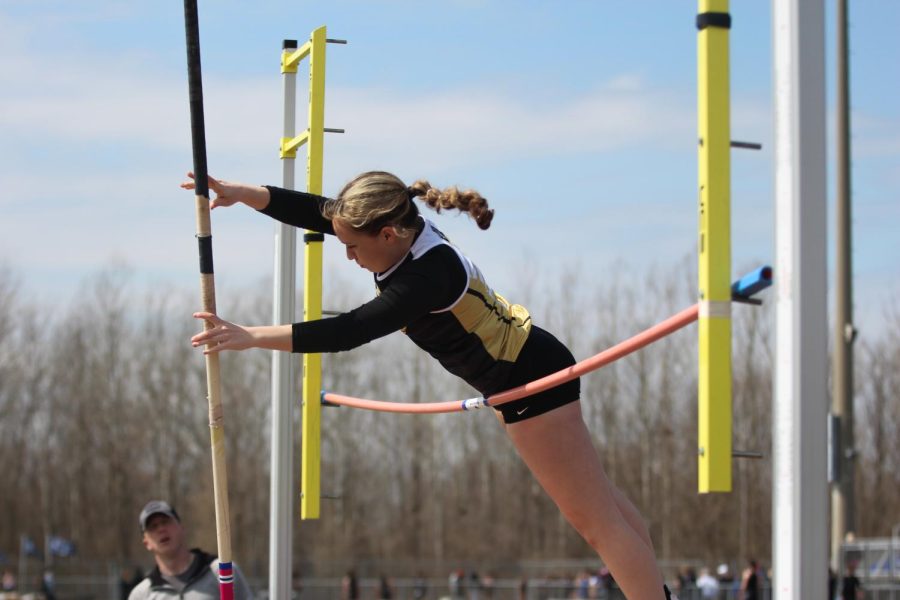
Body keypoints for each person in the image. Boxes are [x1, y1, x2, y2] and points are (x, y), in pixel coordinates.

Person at [184, 171, 675, 600]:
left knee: (597, 524)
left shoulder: (426, 277)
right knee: (604, 508)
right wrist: (243, 193)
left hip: (528, 381)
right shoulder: (401, 229)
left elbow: (350, 330)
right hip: (526, 367)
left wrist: (250, 337)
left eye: (353, 247)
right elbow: (319, 212)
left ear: (390, 234)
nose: (349, 257)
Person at [127, 500, 252, 600]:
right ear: (146, 543)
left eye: (166, 522)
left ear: (181, 528)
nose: (161, 529)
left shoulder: (222, 572)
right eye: (153, 527)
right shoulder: (141, 594)